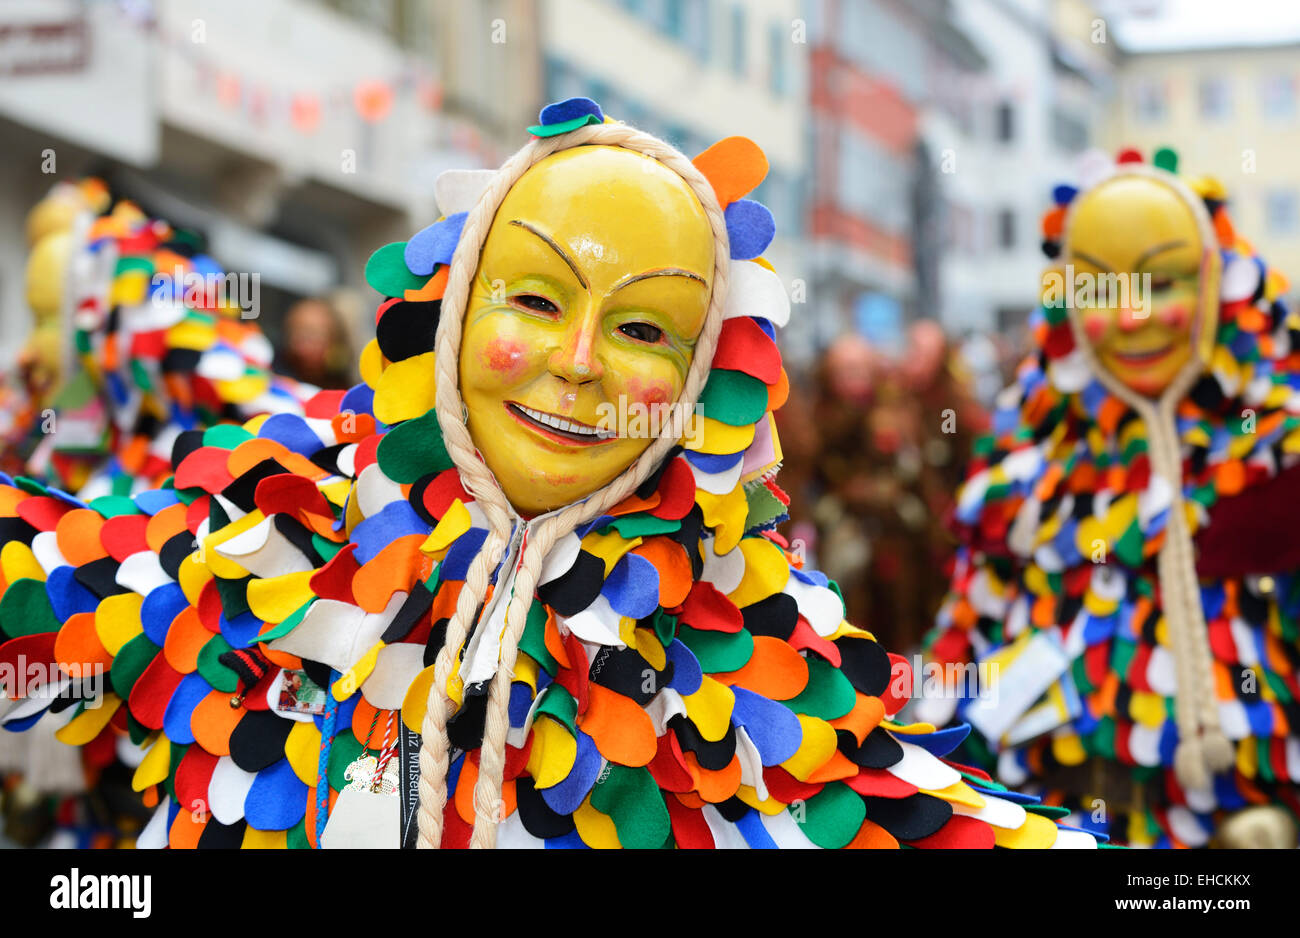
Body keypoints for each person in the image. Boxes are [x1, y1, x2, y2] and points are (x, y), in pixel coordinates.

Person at [0, 99, 1098, 849]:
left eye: (639, 326)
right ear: (455, 306)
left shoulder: (733, 614)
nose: (578, 364)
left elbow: (899, 810)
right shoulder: (271, 527)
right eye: (534, 299)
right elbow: (47, 589)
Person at [929, 147, 1300, 848]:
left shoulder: (1276, 470)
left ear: (1219, 287)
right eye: (1100, 291)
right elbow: (956, 673)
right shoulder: (1019, 485)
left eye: (1161, 283)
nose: (1132, 319)